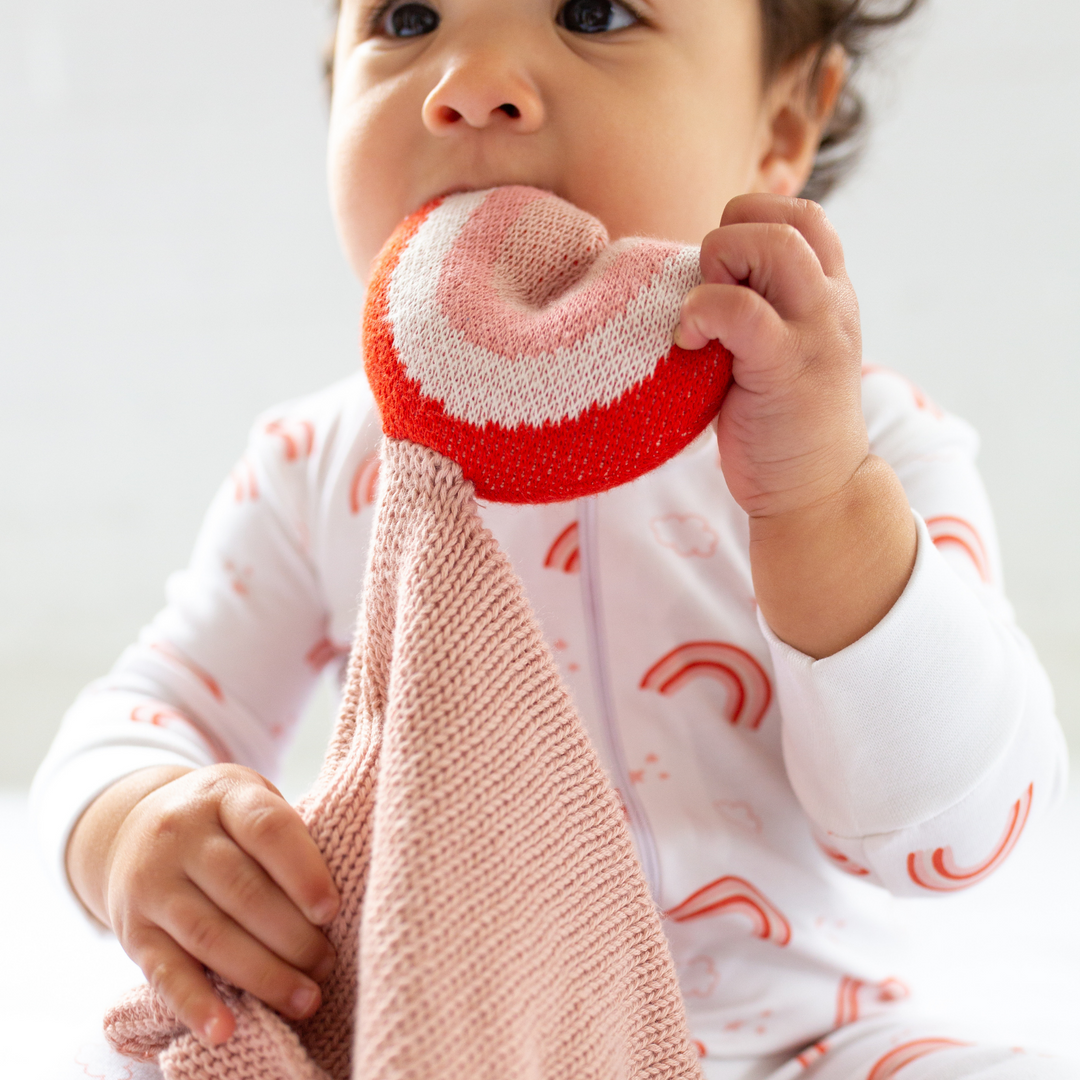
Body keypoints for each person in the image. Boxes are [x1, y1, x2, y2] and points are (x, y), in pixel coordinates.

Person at [32, 1, 1074, 1077]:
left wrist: (823, 504)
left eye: (595, 12)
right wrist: (135, 827)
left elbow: (965, 833)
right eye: (407, 18)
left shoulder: (864, 445)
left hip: (801, 1046)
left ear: (782, 119)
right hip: (444, 1035)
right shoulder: (321, 462)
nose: (471, 79)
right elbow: (138, 713)